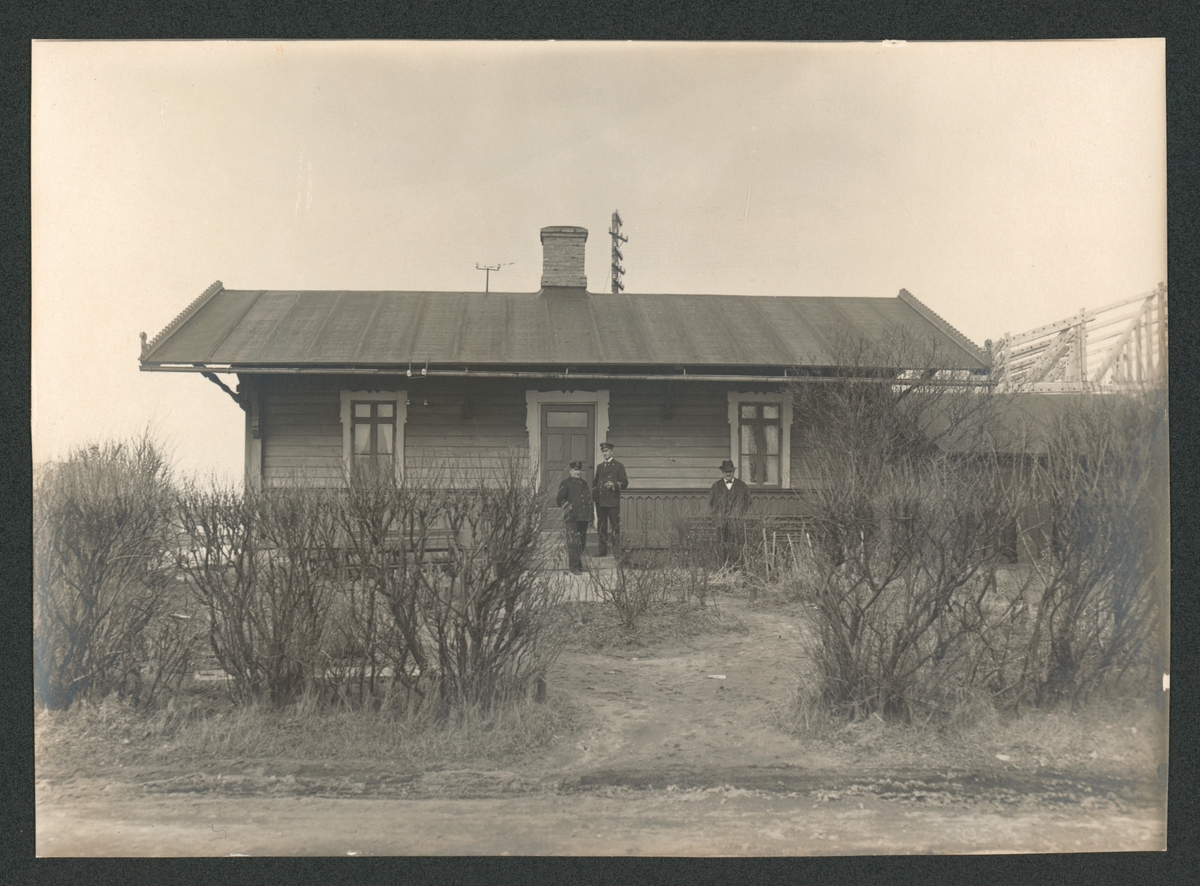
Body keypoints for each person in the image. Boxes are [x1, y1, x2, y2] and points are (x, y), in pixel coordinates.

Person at [709, 459, 751, 565]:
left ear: (734, 472)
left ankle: (736, 568)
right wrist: (719, 515)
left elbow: (748, 502)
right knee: (722, 546)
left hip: (737, 522)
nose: (728, 473)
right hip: (721, 523)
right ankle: (722, 567)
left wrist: (739, 513)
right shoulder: (716, 486)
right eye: (726, 471)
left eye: (730, 471)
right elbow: (712, 504)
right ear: (722, 472)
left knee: (736, 545)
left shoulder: (742, 486)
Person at [556, 460, 594, 574]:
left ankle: (579, 564)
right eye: (575, 470)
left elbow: (588, 500)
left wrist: (590, 515)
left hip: (583, 517)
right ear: (570, 471)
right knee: (573, 542)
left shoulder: (584, 483)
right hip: (572, 517)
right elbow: (559, 500)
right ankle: (574, 567)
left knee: (581, 542)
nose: (577, 472)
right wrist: (569, 507)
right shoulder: (565, 483)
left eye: (579, 470)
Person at [592, 441, 628, 557]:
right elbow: (595, 483)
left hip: (612, 502)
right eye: (603, 451)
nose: (605, 453)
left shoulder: (618, 466)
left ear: (612, 452)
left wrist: (613, 485)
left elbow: (625, 482)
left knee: (615, 527)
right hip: (601, 502)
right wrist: (595, 496)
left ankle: (616, 552)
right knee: (601, 527)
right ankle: (602, 551)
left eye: (606, 451)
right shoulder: (600, 467)